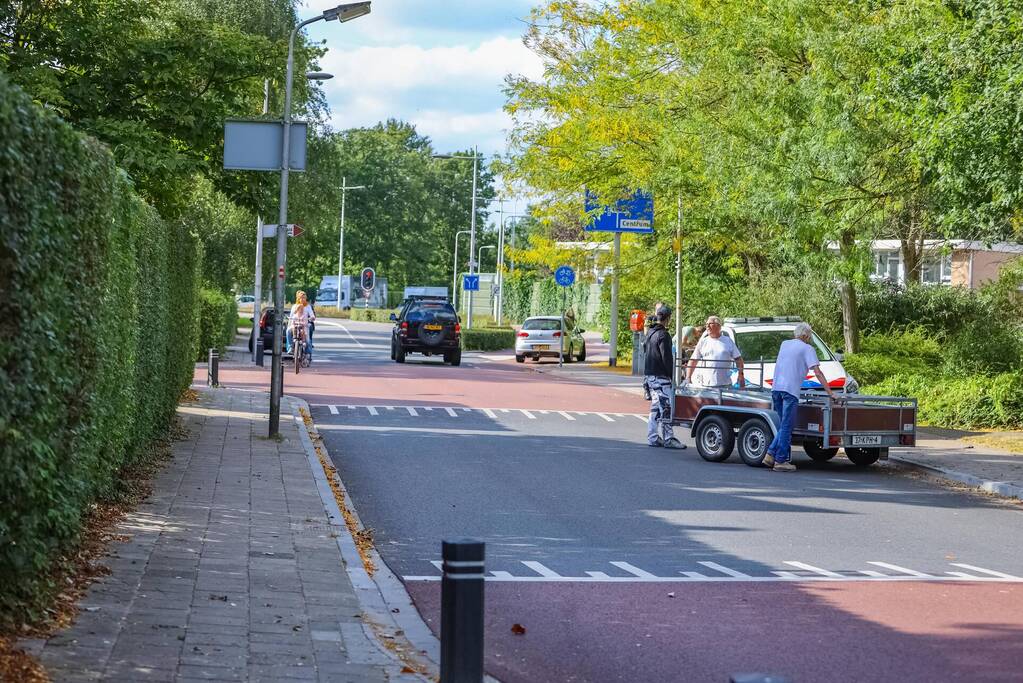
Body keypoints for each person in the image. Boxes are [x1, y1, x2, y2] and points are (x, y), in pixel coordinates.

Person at [763, 322, 838, 472]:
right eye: (809, 336)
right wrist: (830, 392)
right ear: (806, 335)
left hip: (776, 389)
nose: (809, 339)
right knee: (786, 426)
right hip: (790, 391)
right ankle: (780, 461)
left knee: (785, 425)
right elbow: (817, 372)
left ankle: (770, 455)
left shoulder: (785, 344)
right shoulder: (807, 348)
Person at [643, 304, 685, 449]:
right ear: (668, 318)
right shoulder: (663, 335)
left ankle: (653, 437)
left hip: (650, 375)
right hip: (661, 376)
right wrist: (671, 377)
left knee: (655, 407)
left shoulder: (650, 333)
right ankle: (668, 438)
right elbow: (666, 358)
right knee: (666, 406)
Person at [685, 316, 745, 388]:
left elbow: (738, 359)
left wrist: (740, 375)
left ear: (718, 326)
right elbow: (693, 360)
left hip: (725, 385)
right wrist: (688, 378)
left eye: (710, 324)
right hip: (706, 386)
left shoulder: (728, 341)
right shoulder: (703, 342)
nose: (707, 326)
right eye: (706, 324)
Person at [286, 291, 315, 357]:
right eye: (301, 298)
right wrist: (290, 322)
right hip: (295, 324)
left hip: (304, 325)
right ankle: (291, 347)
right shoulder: (294, 306)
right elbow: (291, 316)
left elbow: (312, 315)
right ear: (298, 299)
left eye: (304, 298)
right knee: (288, 331)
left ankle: (308, 351)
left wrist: (312, 318)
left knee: (307, 338)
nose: (302, 299)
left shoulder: (308, 306)